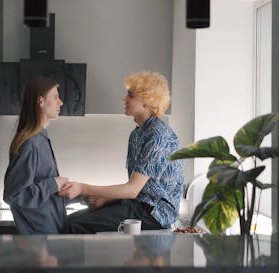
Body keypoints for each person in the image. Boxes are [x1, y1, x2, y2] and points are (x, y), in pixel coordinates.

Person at [58, 71, 184, 234]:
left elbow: (132, 189)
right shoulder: (137, 134)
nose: (124, 99)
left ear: (147, 101)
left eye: (130, 95)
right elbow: (137, 191)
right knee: (71, 221)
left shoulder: (158, 135)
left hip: (156, 214)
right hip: (139, 204)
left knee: (74, 225)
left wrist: (83, 188)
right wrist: (106, 198)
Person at [3, 75, 68, 234]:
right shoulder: (31, 144)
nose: (61, 102)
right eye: (55, 97)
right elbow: (15, 196)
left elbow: (40, 192)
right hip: (39, 239)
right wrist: (54, 183)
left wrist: (74, 193)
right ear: (40, 101)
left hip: (48, 232)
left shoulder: (40, 139)